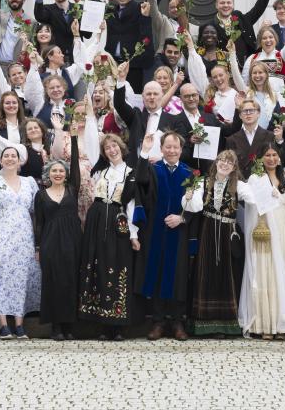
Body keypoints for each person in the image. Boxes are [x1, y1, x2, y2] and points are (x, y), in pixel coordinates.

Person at [78, 134, 143, 339]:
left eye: (114, 146)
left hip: (118, 223)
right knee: (98, 268)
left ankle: (118, 324)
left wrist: (133, 235)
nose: (112, 150)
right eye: (107, 148)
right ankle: (101, 323)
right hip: (96, 222)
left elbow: (131, 206)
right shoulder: (100, 172)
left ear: (121, 148)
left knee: (118, 268)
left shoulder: (131, 173)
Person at [134, 132, 194, 341]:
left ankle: (177, 322)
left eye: (175, 147)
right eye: (167, 147)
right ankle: (158, 321)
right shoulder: (153, 169)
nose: (171, 150)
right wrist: (144, 153)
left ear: (181, 149)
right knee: (158, 275)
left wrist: (182, 218)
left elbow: (196, 207)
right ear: (161, 148)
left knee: (178, 276)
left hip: (179, 233)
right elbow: (139, 181)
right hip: (155, 232)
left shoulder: (189, 173)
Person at [236, 144, 285, 339]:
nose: (271, 158)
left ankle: (282, 325)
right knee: (264, 272)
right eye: (267, 155)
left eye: (274, 155)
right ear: (261, 159)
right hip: (263, 227)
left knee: (284, 271)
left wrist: (278, 195)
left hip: (282, 224)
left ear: (279, 158)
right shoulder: (256, 178)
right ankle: (264, 324)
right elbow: (251, 202)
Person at [34, 133, 93, 341]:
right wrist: (38, 248)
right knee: (53, 282)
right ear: (48, 174)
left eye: (60, 170)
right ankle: (56, 326)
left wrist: (75, 139)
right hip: (50, 241)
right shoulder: (40, 195)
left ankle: (69, 325)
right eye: (54, 171)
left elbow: (75, 166)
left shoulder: (72, 189)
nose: (57, 173)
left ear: (66, 174)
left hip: (72, 240)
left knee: (70, 281)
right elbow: (38, 223)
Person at [181, 150, 244, 337]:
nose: (225, 164)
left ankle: (224, 324)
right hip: (207, 229)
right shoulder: (203, 182)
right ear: (216, 162)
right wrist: (189, 196)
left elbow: (254, 199)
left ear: (234, 168)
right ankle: (203, 323)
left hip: (227, 232)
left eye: (229, 163)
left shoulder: (239, 185)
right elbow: (195, 207)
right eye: (222, 161)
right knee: (205, 271)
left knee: (226, 273)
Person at [0, 145, 42, 339]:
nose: (9, 159)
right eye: (5, 156)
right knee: (0, 275)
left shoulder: (29, 182)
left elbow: (35, 212)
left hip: (23, 235)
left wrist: (37, 241)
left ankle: (19, 323)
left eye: (13, 156)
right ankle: (2, 324)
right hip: (0, 234)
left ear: (19, 161)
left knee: (21, 276)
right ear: (0, 161)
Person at [213, 0, 278, 62]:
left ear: (233, 4)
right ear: (217, 5)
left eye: (229, 2)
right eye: (222, 3)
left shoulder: (241, 18)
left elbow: (258, 8)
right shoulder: (211, 26)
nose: (226, 5)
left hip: (248, 67)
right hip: (224, 73)